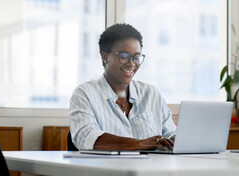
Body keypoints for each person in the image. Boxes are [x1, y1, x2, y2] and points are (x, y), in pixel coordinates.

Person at [69, 23, 176, 151]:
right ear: (105, 56)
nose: (131, 63)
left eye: (136, 57)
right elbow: (86, 137)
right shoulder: (85, 94)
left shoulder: (151, 94)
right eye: (123, 56)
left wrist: (178, 140)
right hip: (107, 170)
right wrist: (140, 144)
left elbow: (170, 134)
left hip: (150, 170)